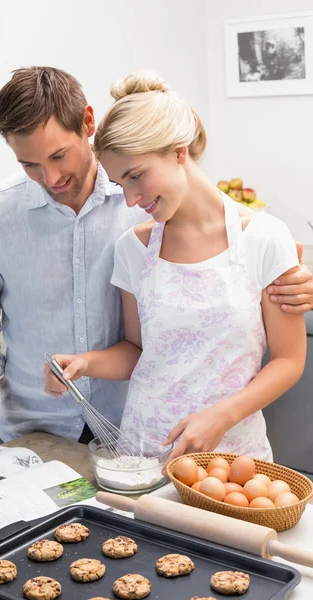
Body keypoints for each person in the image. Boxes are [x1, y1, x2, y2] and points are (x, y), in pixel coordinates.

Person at [0, 67, 313, 461]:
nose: (49, 177)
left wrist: (295, 271)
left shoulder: (174, 211)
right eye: (29, 165)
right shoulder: (125, 239)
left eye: (58, 155)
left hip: (182, 439)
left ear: (88, 124)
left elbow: (279, 346)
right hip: (70, 434)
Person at [44, 71, 307, 463]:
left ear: (178, 151)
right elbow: (138, 350)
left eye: (136, 177)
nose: (131, 199)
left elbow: (289, 360)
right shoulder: (134, 247)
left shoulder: (265, 238)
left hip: (231, 460)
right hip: (142, 455)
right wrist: (85, 363)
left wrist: (222, 415)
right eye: (121, 184)